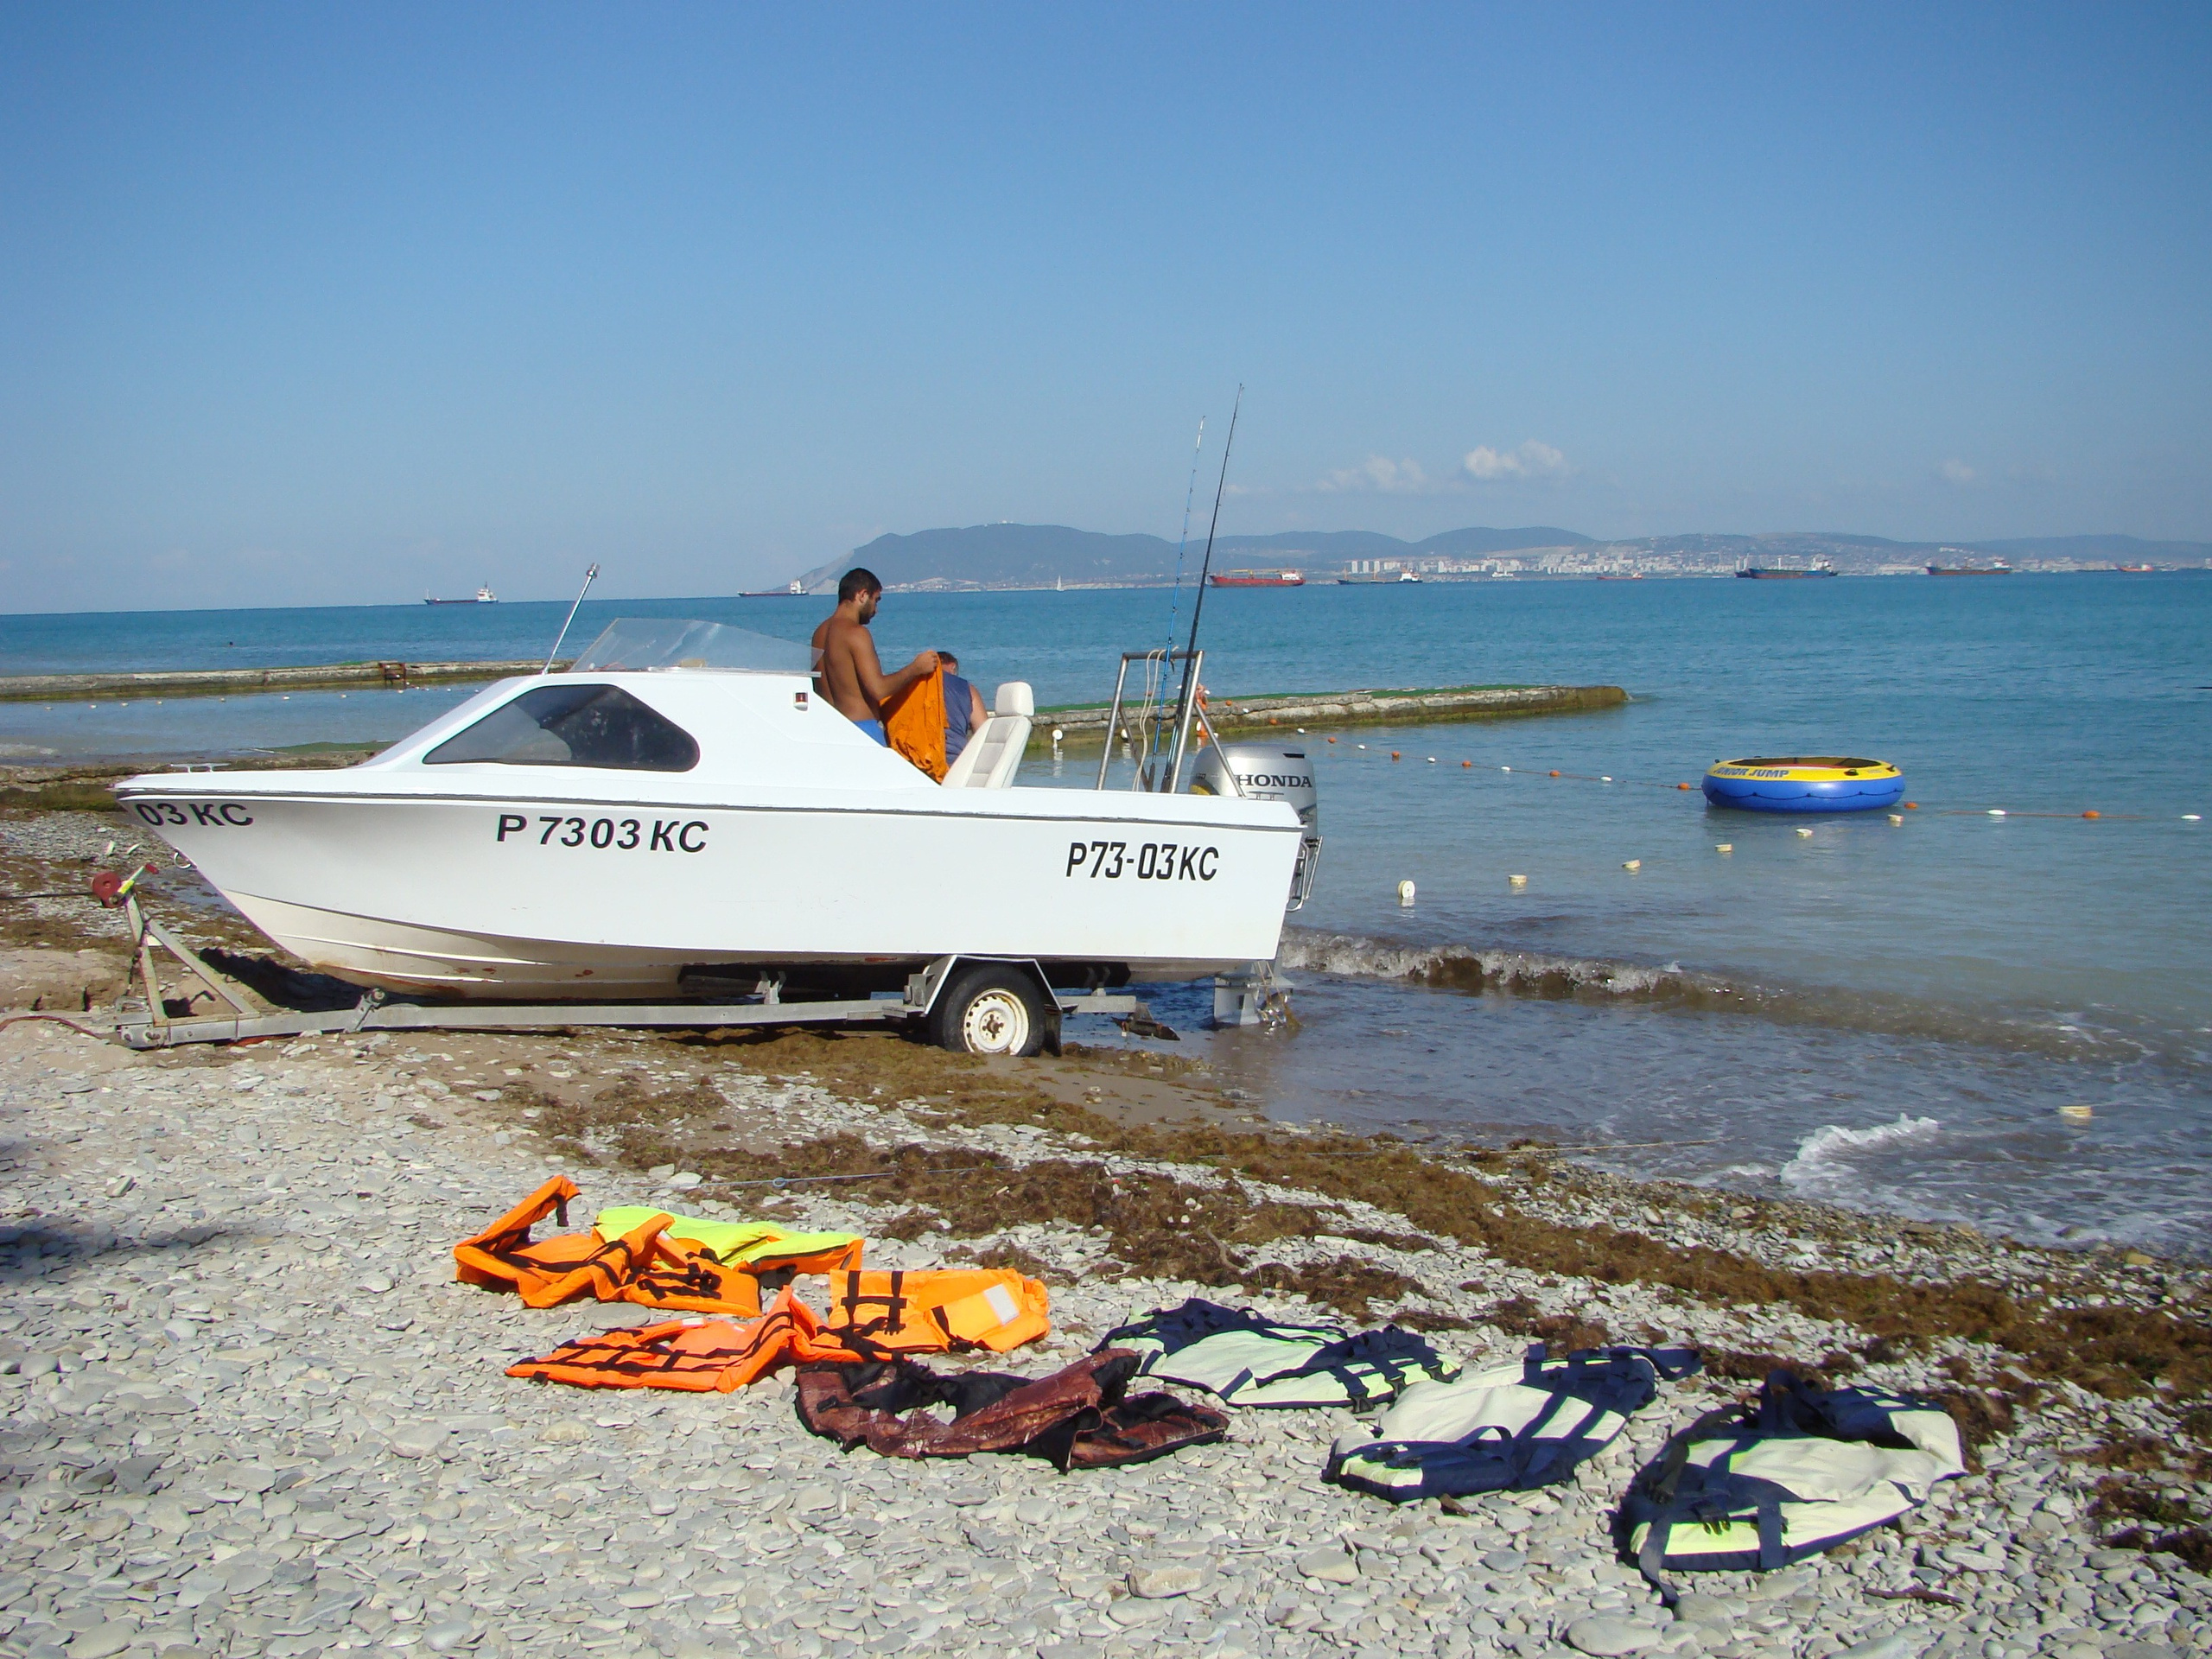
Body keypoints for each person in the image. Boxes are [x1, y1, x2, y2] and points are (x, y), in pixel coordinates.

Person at [810, 569, 938, 744]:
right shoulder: (856, 633)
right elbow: (878, 689)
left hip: (830, 731)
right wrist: (916, 668)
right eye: (875, 600)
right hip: (862, 731)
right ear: (862, 595)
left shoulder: (818, 634)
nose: (876, 610)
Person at [937, 652, 989, 765]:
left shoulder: (912, 685)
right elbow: (984, 734)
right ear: (952, 666)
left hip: (912, 761)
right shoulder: (968, 689)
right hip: (955, 763)